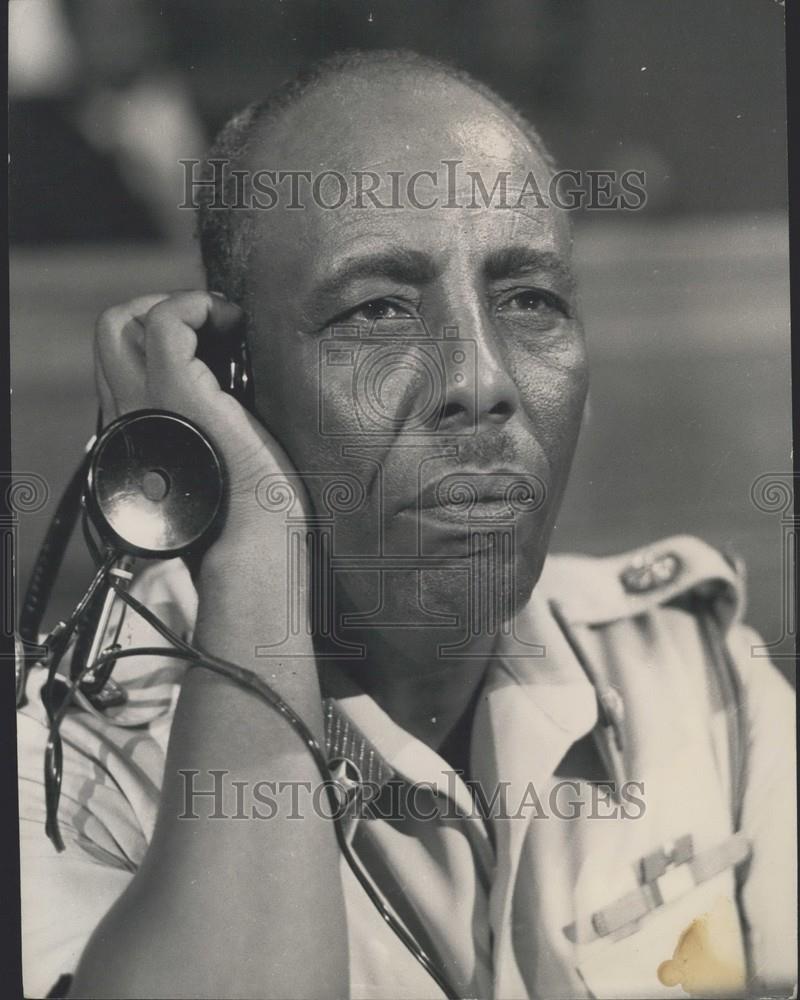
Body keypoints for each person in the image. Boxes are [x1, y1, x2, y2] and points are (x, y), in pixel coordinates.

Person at [17, 50, 795, 999]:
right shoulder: (70, 773)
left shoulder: (692, 669)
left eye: (529, 302)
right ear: (232, 383)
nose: (483, 381)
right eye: (378, 309)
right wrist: (252, 553)